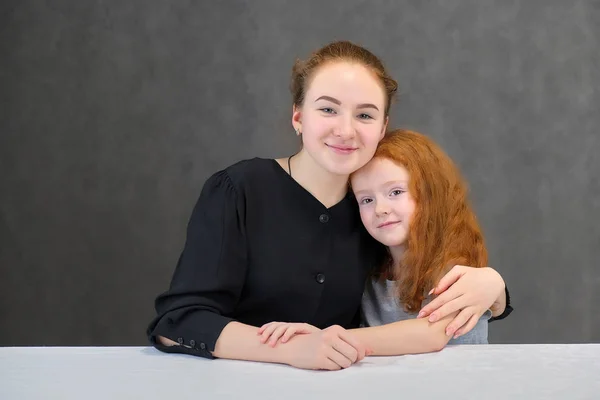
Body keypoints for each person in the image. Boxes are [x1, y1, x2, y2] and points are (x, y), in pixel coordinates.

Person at [146, 41, 512, 370]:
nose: (345, 130)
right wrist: (291, 349)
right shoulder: (239, 189)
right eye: (328, 110)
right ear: (298, 117)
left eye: (365, 115)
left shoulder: (375, 212)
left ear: (382, 128)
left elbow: (427, 292)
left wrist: (495, 289)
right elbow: (178, 322)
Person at [259, 129, 503, 356]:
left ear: (431, 195)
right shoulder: (371, 270)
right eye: (366, 200)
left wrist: (328, 339)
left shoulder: (455, 268)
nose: (381, 209)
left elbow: (430, 334)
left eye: (395, 192)